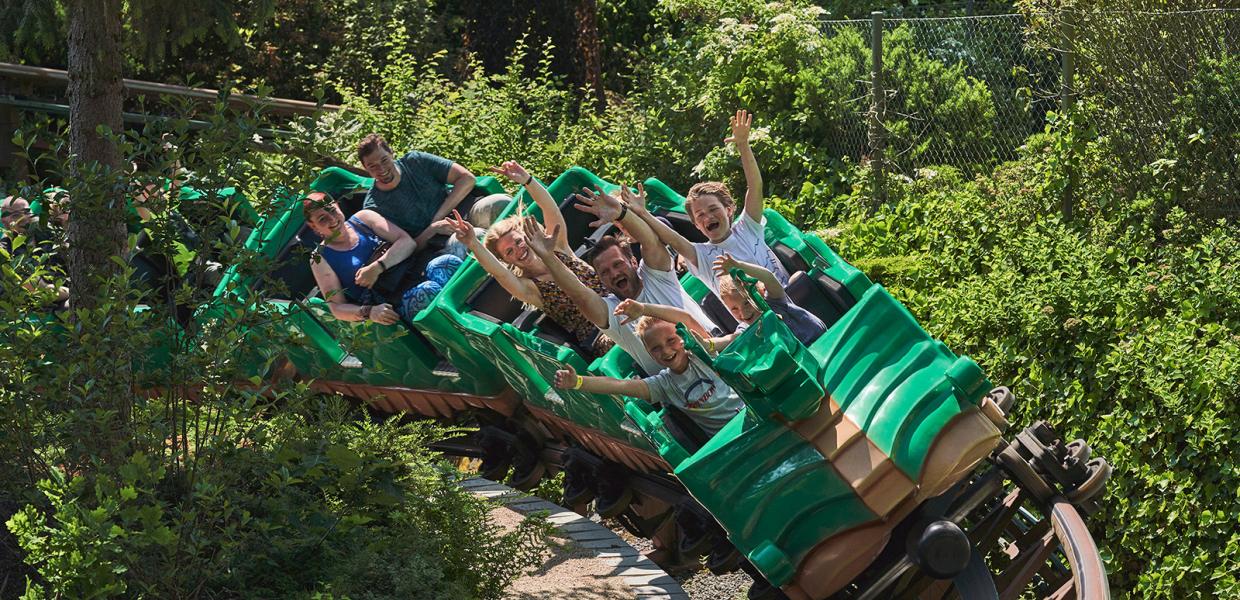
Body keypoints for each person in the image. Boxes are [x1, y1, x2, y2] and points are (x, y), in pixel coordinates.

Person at [528, 184, 715, 374]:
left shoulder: (656, 276)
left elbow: (649, 240)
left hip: (716, 350)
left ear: (633, 261)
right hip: (684, 385)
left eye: (618, 264)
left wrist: (620, 212)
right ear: (600, 279)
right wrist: (549, 258)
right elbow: (580, 295)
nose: (615, 273)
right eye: (606, 272)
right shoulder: (612, 312)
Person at [443, 161, 614, 356]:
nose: (517, 250)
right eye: (509, 252)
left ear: (526, 234)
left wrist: (528, 181)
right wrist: (473, 243)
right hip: (601, 332)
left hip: (620, 302)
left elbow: (550, 209)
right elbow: (499, 273)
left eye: (517, 242)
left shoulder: (558, 248)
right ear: (509, 261)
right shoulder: (530, 287)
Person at [631, 110, 790, 298]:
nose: (708, 217)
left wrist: (743, 145)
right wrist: (643, 213)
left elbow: (755, 186)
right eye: (700, 216)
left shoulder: (748, 228)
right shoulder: (703, 256)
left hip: (790, 299)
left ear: (729, 209)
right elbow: (674, 240)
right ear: (697, 225)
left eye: (713, 209)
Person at [552, 315, 744, 436]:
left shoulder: (701, 352)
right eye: (656, 348)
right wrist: (578, 381)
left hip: (749, 414)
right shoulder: (663, 384)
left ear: (682, 337)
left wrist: (644, 308)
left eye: (671, 340)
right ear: (649, 353)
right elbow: (618, 386)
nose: (667, 350)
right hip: (729, 437)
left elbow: (730, 338)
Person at [613, 252, 826, 353]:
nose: (742, 311)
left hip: (821, 340)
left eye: (746, 302)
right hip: (803, 356)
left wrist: (739, 265)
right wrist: (708, 344)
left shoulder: (775, 300)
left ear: (758, 290)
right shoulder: (746, 328)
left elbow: (768, 277)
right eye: (734, 308)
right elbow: (725, 341)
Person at [303, 192, 460, 324]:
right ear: (314, 227)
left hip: (413, 272)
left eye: (332, 210)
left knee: (447, 264)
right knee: (428, 291)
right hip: (391, 301)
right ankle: (456, 342)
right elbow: (337, 308)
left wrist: (378, 267)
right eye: (322, 219)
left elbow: (407, 243)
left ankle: (472, 312)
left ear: (337, 206)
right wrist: (369, 311)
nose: (331, 219)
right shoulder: (319, 258)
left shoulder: (364, 219)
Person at [356, 134, 479, 250]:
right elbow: (406, 249)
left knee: (495, 203)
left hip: (462, 211)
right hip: (436, 243)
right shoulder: (373, 208)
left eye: (384, 160)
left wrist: (437, 218)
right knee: (474, 238)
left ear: (391, 153)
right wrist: (433, 229)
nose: (381, 169)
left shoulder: (415, 161)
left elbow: (467, 179)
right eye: (373, 166)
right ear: (365, 168)